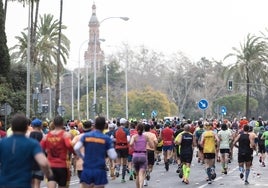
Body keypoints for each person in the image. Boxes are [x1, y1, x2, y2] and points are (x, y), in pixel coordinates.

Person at [0, 114, 52, 187]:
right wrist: (48, 173)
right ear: (26, 127)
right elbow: (43, 162)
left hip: (4, 183)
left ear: (12, 127)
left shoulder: (2, 143)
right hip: (23, 183)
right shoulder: (32, 144)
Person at [74, 116, 117, 188]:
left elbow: (76, 148)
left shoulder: (86, 136)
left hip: (87, 168)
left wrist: (83, 157)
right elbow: (113, 156)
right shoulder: (106, 139)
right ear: (104, 126)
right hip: (99, 169)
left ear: (94, 125)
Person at [41, 115, 74, 188]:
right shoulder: (65, 135)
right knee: (62, 185)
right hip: (62, 166)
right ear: (62, 124)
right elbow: (69, 145)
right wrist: (75, 153)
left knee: (50, 182)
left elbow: (40, 147)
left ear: (53, 124)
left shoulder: (46, 136)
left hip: (50, 166)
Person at [129, 123, 154, 188]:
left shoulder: (134, 136)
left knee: (137, 174)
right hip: (143, 155)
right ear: (143, 130)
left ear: (137, 129)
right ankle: (141, 186)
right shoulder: (146, 137)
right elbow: (152, 146)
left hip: (135, 155)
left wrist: (134, 146)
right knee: (142, 174)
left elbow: (131, 144)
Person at [113, 118, 130, 183]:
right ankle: (123, 178)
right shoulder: (126, 130)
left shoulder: (115, 130)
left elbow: (112, 138)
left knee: (118, 160)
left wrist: (117, 140)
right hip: (125, 147)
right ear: (125, 123)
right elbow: (128, 139)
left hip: (117, 147)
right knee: (124, 163)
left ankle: (117, 170)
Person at [29, 118, 45, 188]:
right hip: (40, 161)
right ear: (40, 126)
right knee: (37, 184)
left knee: (31, 183)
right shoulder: (43, 136)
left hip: (30, 161)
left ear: (32, 126)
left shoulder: (29, 135)